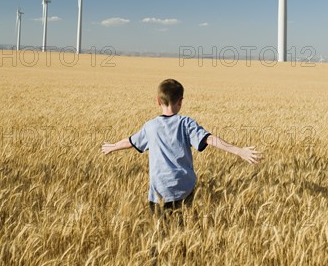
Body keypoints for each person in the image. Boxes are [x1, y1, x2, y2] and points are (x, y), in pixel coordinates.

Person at [101, 79, 264, 212]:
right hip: (183, 188)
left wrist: (112, 146)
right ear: (180, 102)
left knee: (160, 233)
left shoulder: (150, 126)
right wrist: (239, 151)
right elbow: (209, 139)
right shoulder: (186, 123)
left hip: (159, 191)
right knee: (182, 229)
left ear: (158, 101)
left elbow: (130, 141)